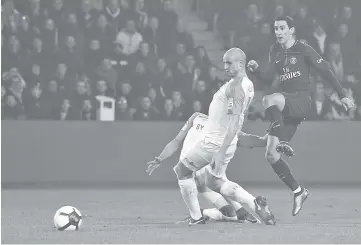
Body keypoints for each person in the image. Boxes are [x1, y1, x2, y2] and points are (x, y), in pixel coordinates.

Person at [147, 48, 276, 226]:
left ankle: (196, 217)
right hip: (226, 141)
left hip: (215, 142)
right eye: (224, 62)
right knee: (214, 182)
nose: (225, 66)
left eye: (229, 63)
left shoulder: (235, 87)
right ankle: (254, 204)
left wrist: (221, 151)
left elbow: (233, 122)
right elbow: (235, 122)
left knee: (182, 171)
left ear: (241, 64)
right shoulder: (247, 85)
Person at [247, 16, 355, 216]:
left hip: (301, 101)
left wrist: (343, 96)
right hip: (286, 108)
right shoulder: (275, 51)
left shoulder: (303, 49)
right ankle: (298, 191)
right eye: (276, 28)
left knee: (268, 100)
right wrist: (255, 71)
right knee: (271, 155)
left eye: (282, 28)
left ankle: (283, 141)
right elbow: (268, 77)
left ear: (291, 30)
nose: (278, 31)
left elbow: (326, 71)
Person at [147, 112, 268, 223]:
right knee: (211, 181)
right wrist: (160, 158)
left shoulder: (227, 129)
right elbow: (176, 140)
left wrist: (270, 139)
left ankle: (203, 214)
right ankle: (241, 211)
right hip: (193, 170)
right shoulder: (196, 117)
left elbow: (250, 140)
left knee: (228, 211)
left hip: (203, 173)